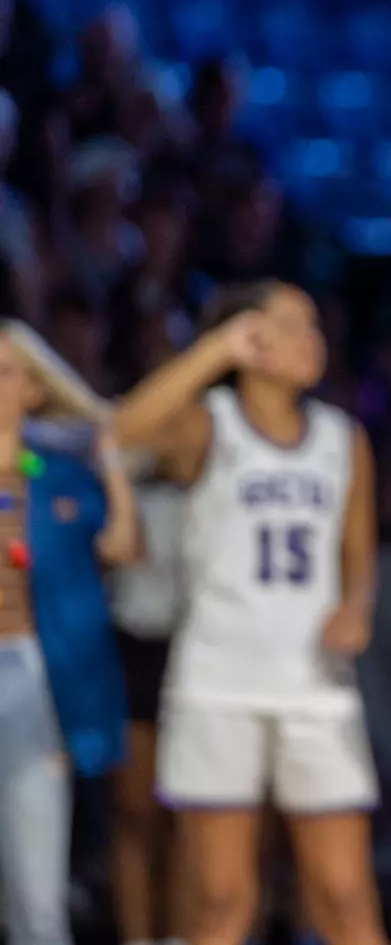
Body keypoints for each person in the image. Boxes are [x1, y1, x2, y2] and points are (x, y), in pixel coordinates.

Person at [113, 280, 387, 945]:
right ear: (250, 339)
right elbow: (121, 432)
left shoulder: (341, 436)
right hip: (217, 680)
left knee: (345, 892)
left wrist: (355, 607)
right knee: (219, 896)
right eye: (293, 324)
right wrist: (213, 351)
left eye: (315, 324)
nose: (312, 338)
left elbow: (358, 555)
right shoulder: (208, 420)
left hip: (316, 684)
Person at [0, 322, 141, 945]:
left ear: (33, 388)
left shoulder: (56, 476)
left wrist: (109, 462)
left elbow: (119, 546)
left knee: (37, 891)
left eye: (4, 372)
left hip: (33, 673)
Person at [108, 327, 190, 945]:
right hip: (134, 642)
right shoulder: (121, 443)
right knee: (135, 816)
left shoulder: (216, 442)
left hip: (200, 646)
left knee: (191, 817)